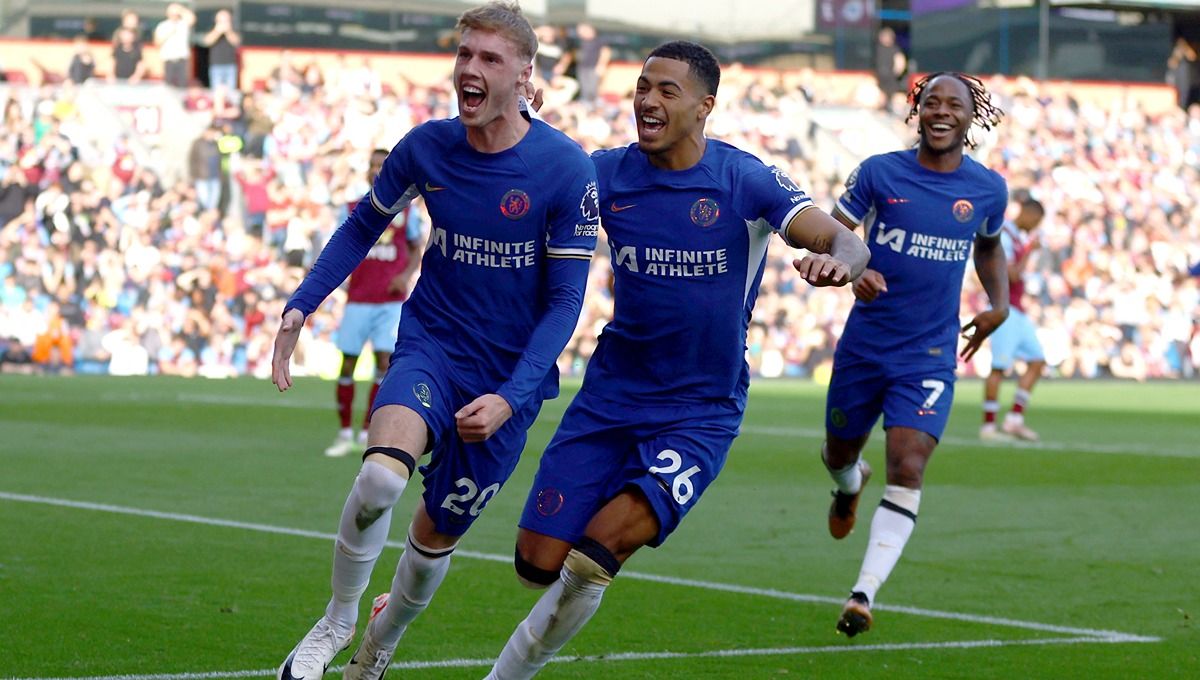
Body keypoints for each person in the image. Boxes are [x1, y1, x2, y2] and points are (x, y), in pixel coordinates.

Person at [482, 41, 870, 679]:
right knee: (536, 562)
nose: (647, 100)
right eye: (642, 87)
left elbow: (843, 239)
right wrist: (522, 126)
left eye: (667, 90)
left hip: (699, 410)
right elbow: (527, 183)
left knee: (593, 555)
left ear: (704, 106)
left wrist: (840, 264)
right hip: (610, 396)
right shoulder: (604, 174)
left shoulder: (743, 179)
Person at [268, 3, 599, 680]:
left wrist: (510, 396)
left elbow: (567, 302)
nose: (469, 70)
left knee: (431, 538)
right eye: (464, 55)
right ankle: (335, 620)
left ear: (524, 75)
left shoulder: (565, 169)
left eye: (489, 59)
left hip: (509, 381)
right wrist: (302, 304)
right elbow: (363, 225)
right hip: (432, 346)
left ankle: (379, 646)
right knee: (379, 477)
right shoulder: (426, 147)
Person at [820, 72, 1009, 638]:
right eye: (932, 102)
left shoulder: (988, 189)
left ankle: (863, 594)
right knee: (836, 454)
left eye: (955, 103)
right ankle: (850, 485)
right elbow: (836, 232)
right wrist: (857, 268)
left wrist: (999, 304)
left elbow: (991, 247)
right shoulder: (879, 172)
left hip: (929, 354)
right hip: (866, 346)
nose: (942, 111)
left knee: (909, 465)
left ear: (972, 116)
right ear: (917, 110)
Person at [323, 148, 423, 458]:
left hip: (390, 301)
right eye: (373, 166)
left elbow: (416, 247)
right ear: (367, 170)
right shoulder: (352, 207)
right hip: (359, 297)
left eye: (384, 165)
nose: (378, 171)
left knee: (384, 363)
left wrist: (406, 275)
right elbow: (341, 244)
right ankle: (343, 432)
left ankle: (368, 430)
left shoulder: (407, 211)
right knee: (348, 363)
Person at [981, 196, 1046, 441]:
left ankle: (1014, 420)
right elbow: (1012, 275)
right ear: (1029, 214)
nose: (1036, 226)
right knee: (999, 368)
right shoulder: (1005, 235)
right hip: (1003, 308)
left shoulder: (1017, 236)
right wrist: (1030, 252)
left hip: (1017, 310)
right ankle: (988, 427)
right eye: (1036, 220)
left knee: (1038, 361)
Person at [154, 3, 196, 88]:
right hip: (168, 59)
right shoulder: (162, 25)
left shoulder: (183, 24)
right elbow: (157, 42)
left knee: (182, 84)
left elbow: (192, 19)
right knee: (168, 85)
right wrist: (169, 33)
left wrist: (180, 9)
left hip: (182, 59)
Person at [203, 9, 241, 93]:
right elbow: (207, 42)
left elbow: (236, 42)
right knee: (216, 92)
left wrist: (228, 31)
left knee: (230, 92)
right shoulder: (212, 28)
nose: (223, 23)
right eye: (221, 20)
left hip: (230, 65)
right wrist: (217, 31)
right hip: (216, 65)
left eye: (226, 20)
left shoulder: (234, 28)